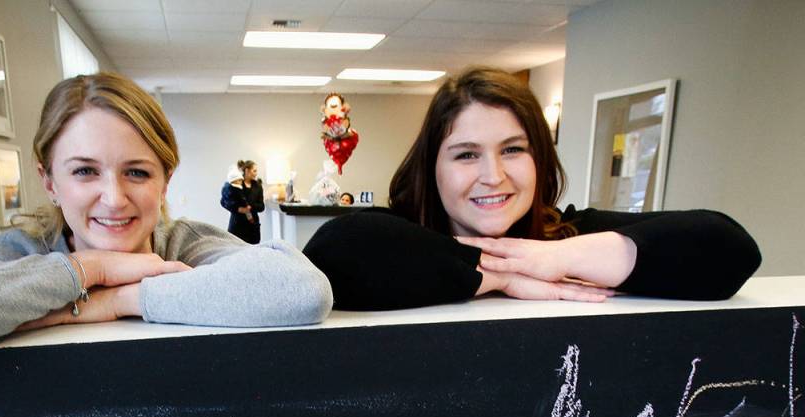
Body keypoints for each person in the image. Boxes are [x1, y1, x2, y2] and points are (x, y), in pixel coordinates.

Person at [0, 75, 331, 364]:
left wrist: (116, 301)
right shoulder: (25, 252)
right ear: (49, 181)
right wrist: (91, 271)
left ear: (164, 182)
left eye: (137, 172)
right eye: (85, 171)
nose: (114, 197)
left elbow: (300, 290)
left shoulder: (182, 244)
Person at [303, 67, 761, 311]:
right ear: (432, 168)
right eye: (466, 154)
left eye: (513, 150)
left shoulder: (568, 233)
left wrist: (554, 259)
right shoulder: (399, 233)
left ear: (540, 159)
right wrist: (505, 275)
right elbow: (335, 254)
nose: (493, 175)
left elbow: (729, 247)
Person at [220, 159, 265, 244]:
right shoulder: (235, 183)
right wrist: (238, 209)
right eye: (254, 171)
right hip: (237, 226)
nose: (256, 173)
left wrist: (250, 206)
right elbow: (223, 202)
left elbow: (262, 207)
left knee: (253, 252)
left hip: (252, 227)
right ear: (247, 170)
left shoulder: (258, 186)